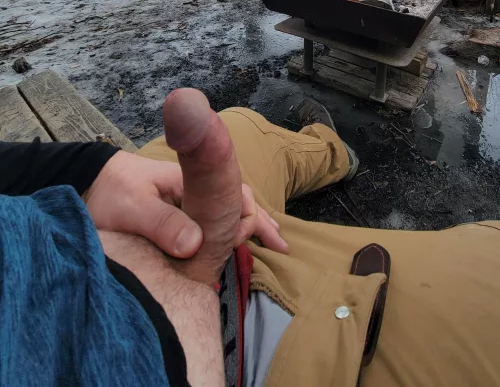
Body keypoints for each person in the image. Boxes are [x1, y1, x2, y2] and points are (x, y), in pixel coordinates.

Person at [1, 89, 500, 387]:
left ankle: (333, 152)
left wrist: (94, 170)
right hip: (255, 348)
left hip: (99, 214)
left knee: (239, 124)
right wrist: (182, 307)